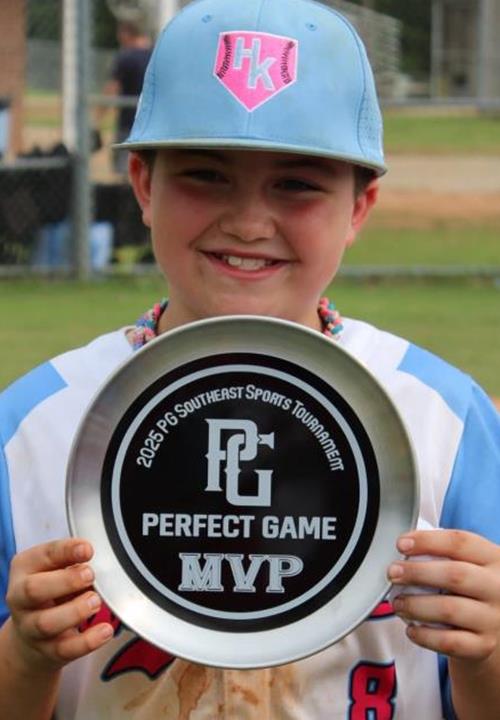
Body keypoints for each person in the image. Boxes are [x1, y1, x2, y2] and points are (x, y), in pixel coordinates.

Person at [1, 0, 499, 717]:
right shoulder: (31, 430)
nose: (248, 221)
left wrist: (489, 648)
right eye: (206, 175)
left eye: (297, 184)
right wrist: (23, 655)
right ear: (143, 185)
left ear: (359, 208)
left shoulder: (442, 423)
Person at [95, 19, 152, 177]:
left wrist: (97, 119)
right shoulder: (155, 53)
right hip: (152, 123)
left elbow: (112, 88)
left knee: (125, 171)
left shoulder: (126, 57)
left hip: (128, 123)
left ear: (126, 34)